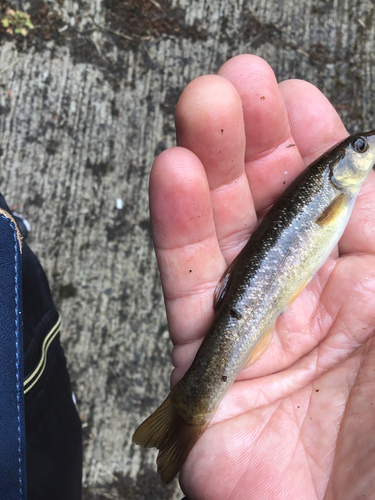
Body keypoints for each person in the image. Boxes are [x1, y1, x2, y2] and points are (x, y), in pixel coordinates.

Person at [149, 54, 375, 499]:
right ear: (339, 169)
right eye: (361, 149)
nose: (365, 152)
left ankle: (190, 407)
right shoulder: (335, 193)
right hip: (253, 300)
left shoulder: (340, 193)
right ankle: (193, 405)